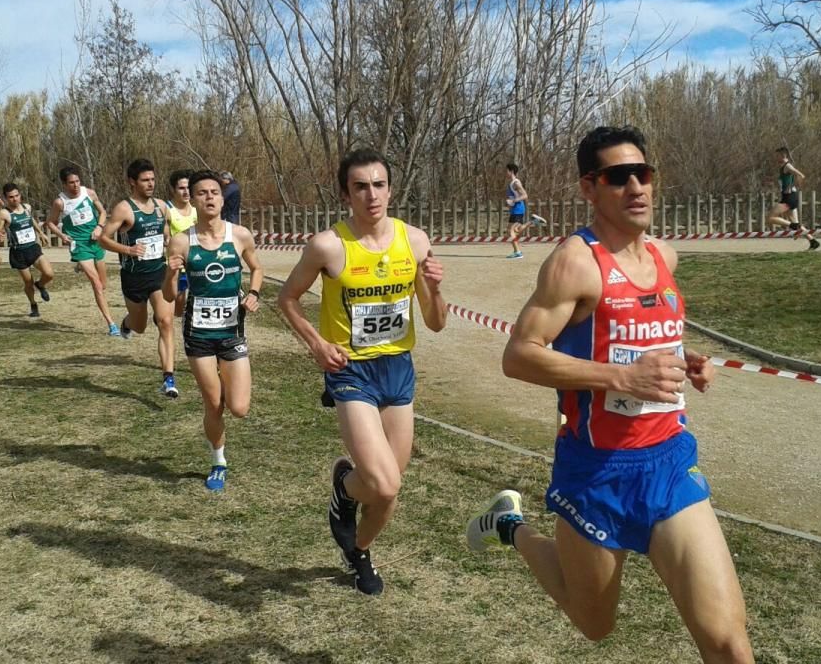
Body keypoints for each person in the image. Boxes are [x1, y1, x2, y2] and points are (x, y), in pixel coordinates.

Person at [464, 126, 754, 663]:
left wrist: (687, 362)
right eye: (620, 178)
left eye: (643, 174)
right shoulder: (575, 263)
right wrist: (620, 379)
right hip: (596, 470)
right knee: (594, 623)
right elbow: (519, 355)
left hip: (668, 462)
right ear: (589, 189)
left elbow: (644, 338)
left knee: (728, 644)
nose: (637, 187)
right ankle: (512, 526)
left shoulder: (666, 256)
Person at [277, 149, 446, 595]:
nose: (372, 195)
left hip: (398, 368)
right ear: (345, 193)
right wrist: (317, 344)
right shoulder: (328, 246)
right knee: (386, 484)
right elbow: (287, 299)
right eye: (360, 186)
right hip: (351, 369)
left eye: (379, 184)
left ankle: (353, 529)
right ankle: (356, 544)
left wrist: (434, 287)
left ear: (390, 189)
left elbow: (435, 321)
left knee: (385, 489)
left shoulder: (414, 241)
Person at [168, 170, 263, 491]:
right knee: (213, 404)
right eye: (201, 193)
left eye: (214, 192)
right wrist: (171, 274)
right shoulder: (182, 241)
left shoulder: (240, 236)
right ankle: (218, 461)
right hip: (198, 335)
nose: (209, 197)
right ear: (192, 200)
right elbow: (170, 296)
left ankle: (226, 379)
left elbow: (257, 268)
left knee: (239, 408)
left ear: (223, 199)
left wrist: (253, 294)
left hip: (232, 331)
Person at [99, 159, 179, 396]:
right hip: (133, 277)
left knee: (165, 322)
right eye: (145, 180)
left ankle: (169, 379)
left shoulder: (161, 206)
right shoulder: (124, 208)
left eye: (153, 179)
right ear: (132, 182)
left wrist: (167, 240)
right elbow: (103, 238)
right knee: (141, 326)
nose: (150, 184)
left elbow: (164, 230)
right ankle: (126, 323)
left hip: (158, 273)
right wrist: (128, 250)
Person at [47, 165, 120, 336]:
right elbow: (50, 222)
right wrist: (62, 235)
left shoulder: (90, 193)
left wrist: (99, 227)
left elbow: (102, 212)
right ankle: (111, 324)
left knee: (103, 284)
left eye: (78, 181)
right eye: (71, 182)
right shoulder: (60, 202)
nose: (76, 185)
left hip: (95, 241)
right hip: (79, 245)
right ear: (64, 184)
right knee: (96, 284)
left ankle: (81, 266)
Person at [0, 183, 54, 318]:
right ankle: (33, 304)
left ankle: (41, 285)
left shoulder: (27, 207)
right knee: (28, 282)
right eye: (11, 197)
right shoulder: (4, 213)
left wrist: (41, 233)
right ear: (6, 198)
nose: (15, 199)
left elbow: (31, 220)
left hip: (33, 247)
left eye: (17, 196)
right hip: (18, 252)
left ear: (20, 195)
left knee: (49, 273)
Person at [767, 147, 819, 250]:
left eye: (777, 156)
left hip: (789, 198)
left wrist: (794, 185)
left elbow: (800, 175)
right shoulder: (783, 167)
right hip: (787, 197)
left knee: (770, 217)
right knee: (796, 223)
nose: (776, 158)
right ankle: (813, 241)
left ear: (783, 155)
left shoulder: (787, 166)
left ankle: (792, 225)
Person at [167, 169, 198, 317]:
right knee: (178, 304)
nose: (186, 192)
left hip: (195, 263)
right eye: (181, 188)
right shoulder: (167, 210)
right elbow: (165, 239)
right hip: (176, 266)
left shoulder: (196, 210)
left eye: (188, 188)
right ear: (173, 190)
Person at [504, 162, 547, 259]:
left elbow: (524, 195)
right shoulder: (511, 183)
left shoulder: (516, 183)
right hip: (515, 209)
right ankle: (533, 221)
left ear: (511, 171)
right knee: (516, 230)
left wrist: (513, 201)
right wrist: (510, 203)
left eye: (506, 171)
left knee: (511, 231)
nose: (505, 173)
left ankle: (517, 252)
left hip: (518, 209)